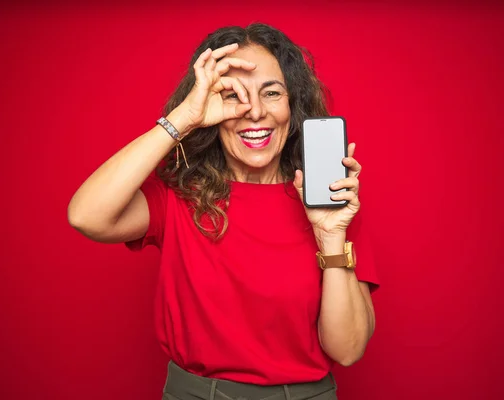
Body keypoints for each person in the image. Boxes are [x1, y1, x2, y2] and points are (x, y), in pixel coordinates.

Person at [68, 23, 380, 400]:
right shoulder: (180, 196)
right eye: (234, 95)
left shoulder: (332, 202)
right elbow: (86, 215)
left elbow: (347, 350)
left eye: (272, 92)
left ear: (292, 105)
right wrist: (184, 118)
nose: (255, 112)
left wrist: (331, 235)